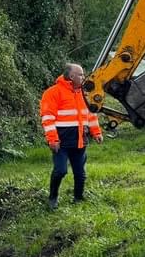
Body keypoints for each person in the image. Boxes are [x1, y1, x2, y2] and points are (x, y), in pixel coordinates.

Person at [39, 63, 103, 209]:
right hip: (61, 142)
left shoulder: (84, 93)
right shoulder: (53, 92)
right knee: (60, 170)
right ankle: (53, 197)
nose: (83, 77)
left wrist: (96, 132)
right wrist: (52, 139)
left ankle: (78, 199)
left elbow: (91, 115)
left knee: (80, 173)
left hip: (80, 140)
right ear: (72, 76)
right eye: (80, 74)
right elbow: (47, 118)